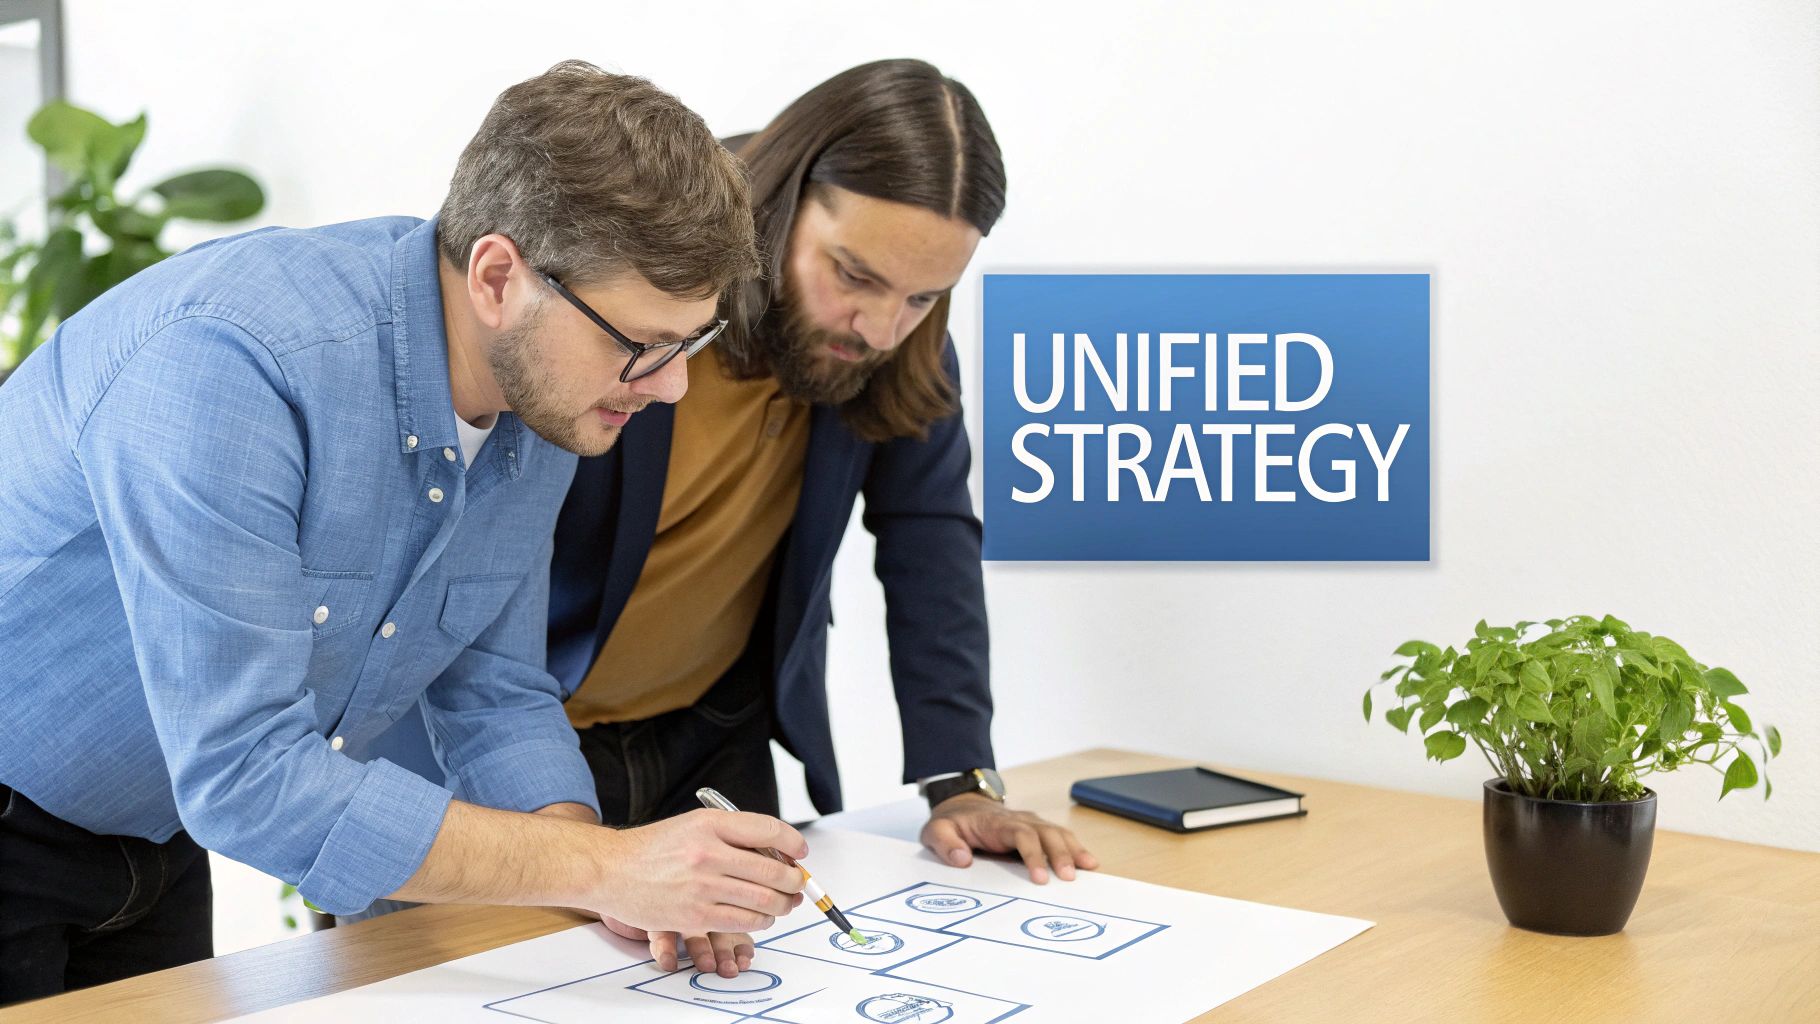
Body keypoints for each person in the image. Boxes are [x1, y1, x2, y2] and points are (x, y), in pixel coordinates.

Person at [0, 61, 806, 1004]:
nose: (670, 387)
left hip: (155, 837)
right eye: (642, 347)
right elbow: (249, 775)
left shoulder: (541, 392)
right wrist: (596, 869)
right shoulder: (232, 363)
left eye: (689, 344)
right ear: (498, 275)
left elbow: (495, 689)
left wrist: (605, 869)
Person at [544, 59, 1099, 977]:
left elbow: (930, 540)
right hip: (516, 760)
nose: (881, 330)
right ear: (779, 197)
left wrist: (960, 782)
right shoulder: (623, 280)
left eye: (922, 298)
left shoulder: (893, 340)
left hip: (711, 750)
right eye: (855, 275)